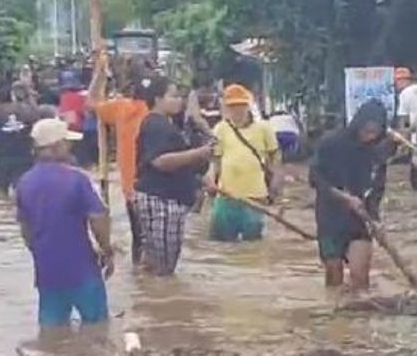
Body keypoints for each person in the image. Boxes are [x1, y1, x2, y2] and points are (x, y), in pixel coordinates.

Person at [16, 118, 114, 327]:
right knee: (97, 328)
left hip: (47, 272)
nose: (70, 147)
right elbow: (98, 217)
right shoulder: (77, 179)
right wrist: (107, 250)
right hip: (82, 269)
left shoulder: (24, 182)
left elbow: (26, 230)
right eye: (67, 143)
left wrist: (41, 252)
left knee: (52, 332)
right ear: (56, 146)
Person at [134, 76, 213, 275]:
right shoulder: (156, 125)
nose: (179, 100)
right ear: (157, 99)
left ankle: (152, 298)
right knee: (164, 267)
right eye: (173, 96)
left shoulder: (165, 124)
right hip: (162, 199)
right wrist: (199, 153)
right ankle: (158, 302)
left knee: (158, 262)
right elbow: (160, 161)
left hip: (166, 199)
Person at [310, 99, 389, 292]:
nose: (369, 136)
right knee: (334, 273)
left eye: (375, 132)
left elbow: (376, 190)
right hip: (330, 217)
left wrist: (375, 219)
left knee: (360, 276)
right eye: (366, 130)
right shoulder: (331, 143)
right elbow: (315, 179)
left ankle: (360, 317)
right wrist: (344, 197)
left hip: (360, 220)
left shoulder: (378, 153)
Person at [90, 73, 152, 264]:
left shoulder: (122, 108)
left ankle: (140, 276)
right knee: (150, 242)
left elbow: (91, 102)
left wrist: (99, 75)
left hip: (132, 186)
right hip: (155, 187)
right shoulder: (156, 114)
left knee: (139, 239)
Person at [209, 85, 280, 242]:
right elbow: (216, 160)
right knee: (220, 244)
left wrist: (275, 181)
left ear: (248, 105)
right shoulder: (220, 129)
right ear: (226, 108)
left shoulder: (264, 128)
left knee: (252, 244)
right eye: (232, 106)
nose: (237, 110)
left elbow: (275, 156)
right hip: (226, 196)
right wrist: (211, 180)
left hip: (255, 197)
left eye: (241, 105)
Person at [0, 89, 36, 200]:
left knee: (1, 195)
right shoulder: (26, 113)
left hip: (1, 161)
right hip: (24, 158)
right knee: (21, 194)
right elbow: (34, 137)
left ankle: (2, 215)